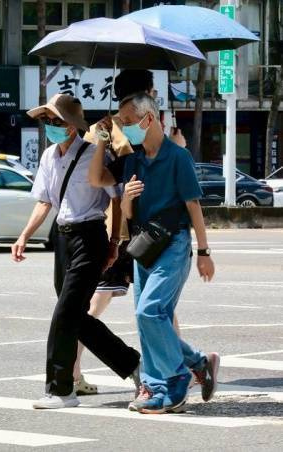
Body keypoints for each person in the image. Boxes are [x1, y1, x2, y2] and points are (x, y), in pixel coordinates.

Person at [88, 93, 219, 414]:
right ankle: (184, 371)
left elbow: (193, 205)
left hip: (173, 244)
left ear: (149, 119)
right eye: (121, 123)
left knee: (150, 311)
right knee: (145, 318)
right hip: (143, 245)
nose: (124, 128)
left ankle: (177, 378)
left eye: (128, 122)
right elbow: (113, 197)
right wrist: (126, 196)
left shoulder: (177, 157)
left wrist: (204, 251)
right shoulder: (133, 160)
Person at [11, 94, 141, 409]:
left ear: (71, 125)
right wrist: (24, 235)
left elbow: (115, 197)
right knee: (75, 316)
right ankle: (134, 365)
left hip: (90, 237)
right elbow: (44, 201)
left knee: (64, 315)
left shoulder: (94, 154)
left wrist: (114, 242)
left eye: (55, 120)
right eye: (47, 120)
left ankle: (61, 389)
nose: (50, 126)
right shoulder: (48, 157)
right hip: (63, 238)